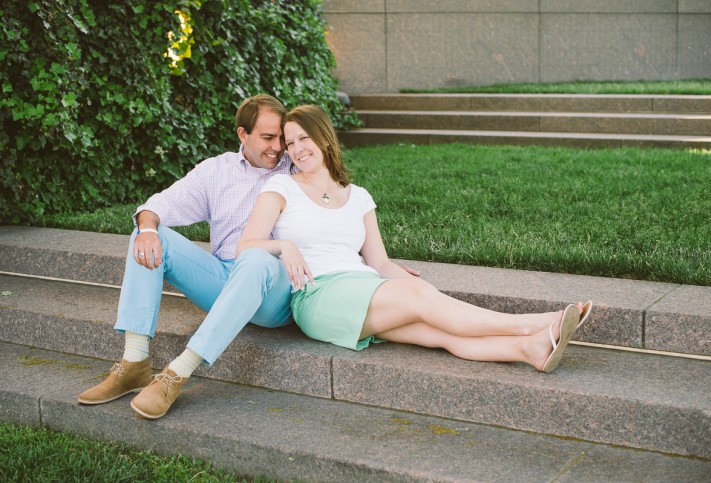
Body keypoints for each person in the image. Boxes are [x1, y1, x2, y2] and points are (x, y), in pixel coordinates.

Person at [78, 95, 418, 419]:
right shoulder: (216, 171)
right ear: (243, 134)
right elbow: (156, 206)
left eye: (281, 139)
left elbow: (336, 215)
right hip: (224, 276)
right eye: (268, 138)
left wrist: (383, 268)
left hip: (279, 290)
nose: (279, 148)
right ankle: (134, 363)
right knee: (147, 235)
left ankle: (177, 374)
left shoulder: (295, 168)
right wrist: (149, 228)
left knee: (256, 260)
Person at [237, 104, 592, 372]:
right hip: (318, 296)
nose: (297, 149)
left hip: (363, 286)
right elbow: (246, 247)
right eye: (290, 142)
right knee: (424, 302)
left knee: (437, 332)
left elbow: (378, 262)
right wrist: (284, 245)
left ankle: (530, 350)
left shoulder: (358, 195)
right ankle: (538, 323)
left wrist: (411, 285)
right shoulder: (281, 186)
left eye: (304, 138)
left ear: (324, 137)